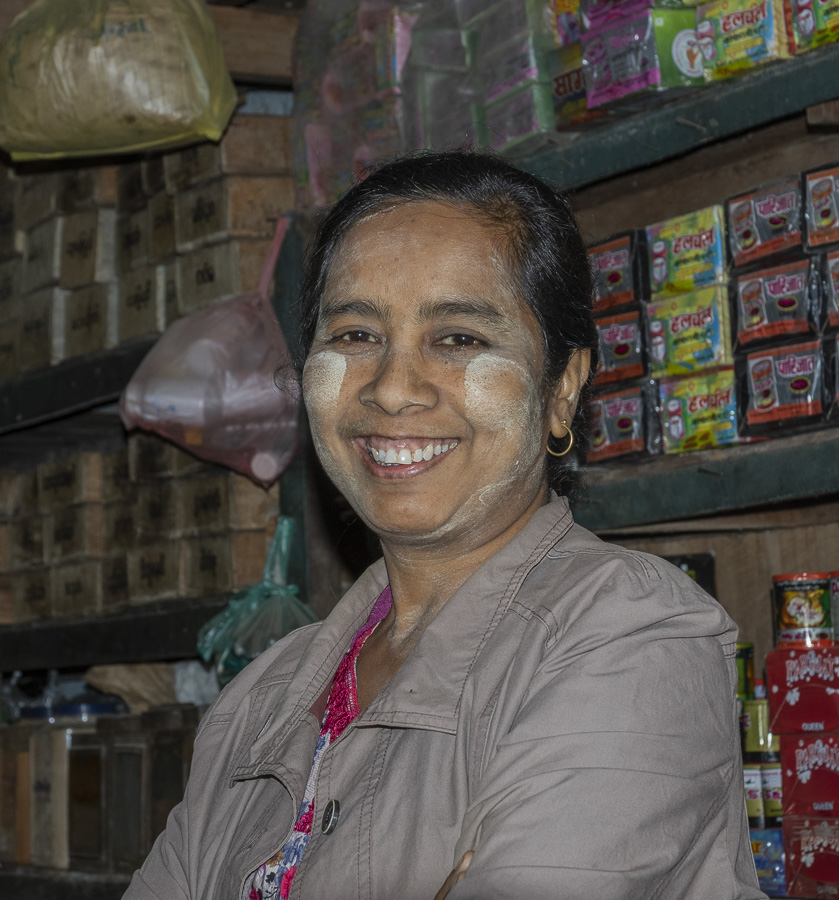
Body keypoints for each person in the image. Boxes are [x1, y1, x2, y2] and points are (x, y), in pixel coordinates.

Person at [124, 151, 765, 900]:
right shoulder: (262, 700)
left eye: (458, 338)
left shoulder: (631, 639)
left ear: (561, 388)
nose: (392, 389)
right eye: (355, 335)